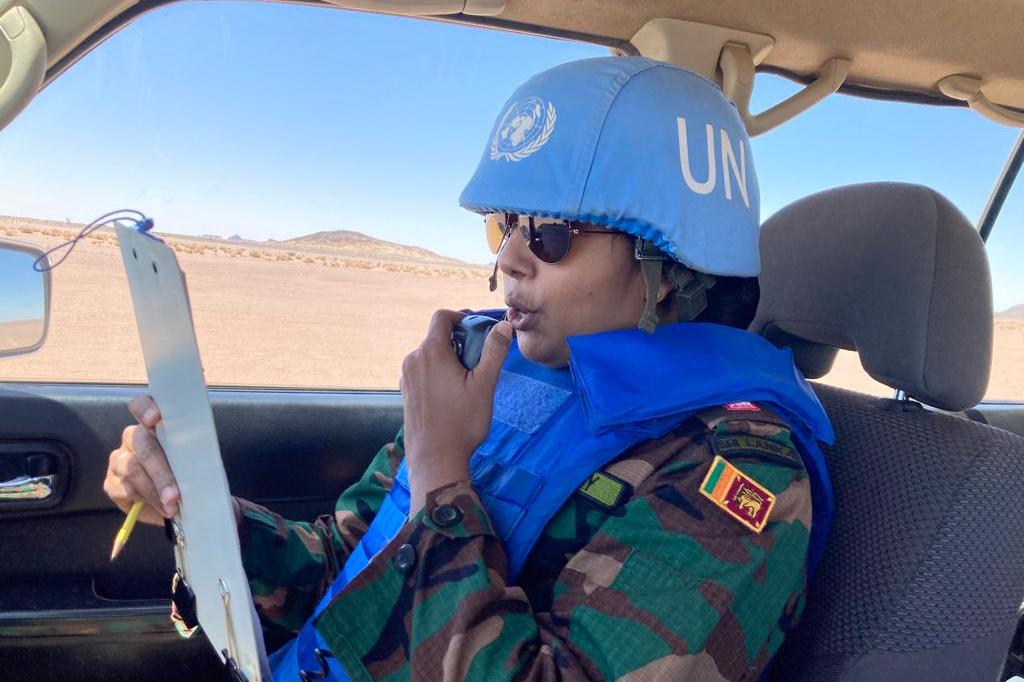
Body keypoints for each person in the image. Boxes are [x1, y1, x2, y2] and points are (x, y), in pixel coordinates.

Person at [103, 56, 834, 681]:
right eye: (504, 224)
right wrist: (197, 511)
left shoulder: (740, 472)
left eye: (551, 234)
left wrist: (441, 478)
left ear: (669, 268)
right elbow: (349, 566)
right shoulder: (495, 373)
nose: (509, 258)